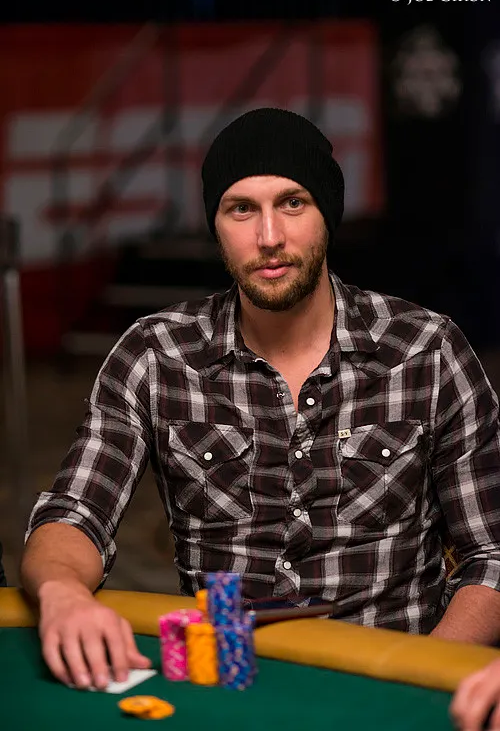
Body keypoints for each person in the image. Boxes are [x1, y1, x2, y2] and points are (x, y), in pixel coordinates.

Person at [20, 108, 500, 693]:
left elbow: (491, 555)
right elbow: (76, 513)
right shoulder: (157, 354)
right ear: (216, 225)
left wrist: (421, 681)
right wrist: (63, 593)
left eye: (292, 203)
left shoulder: (426, 349)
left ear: (328, 214)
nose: (269, 237)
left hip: (390, 682)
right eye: (241, 209)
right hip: (227, 691)